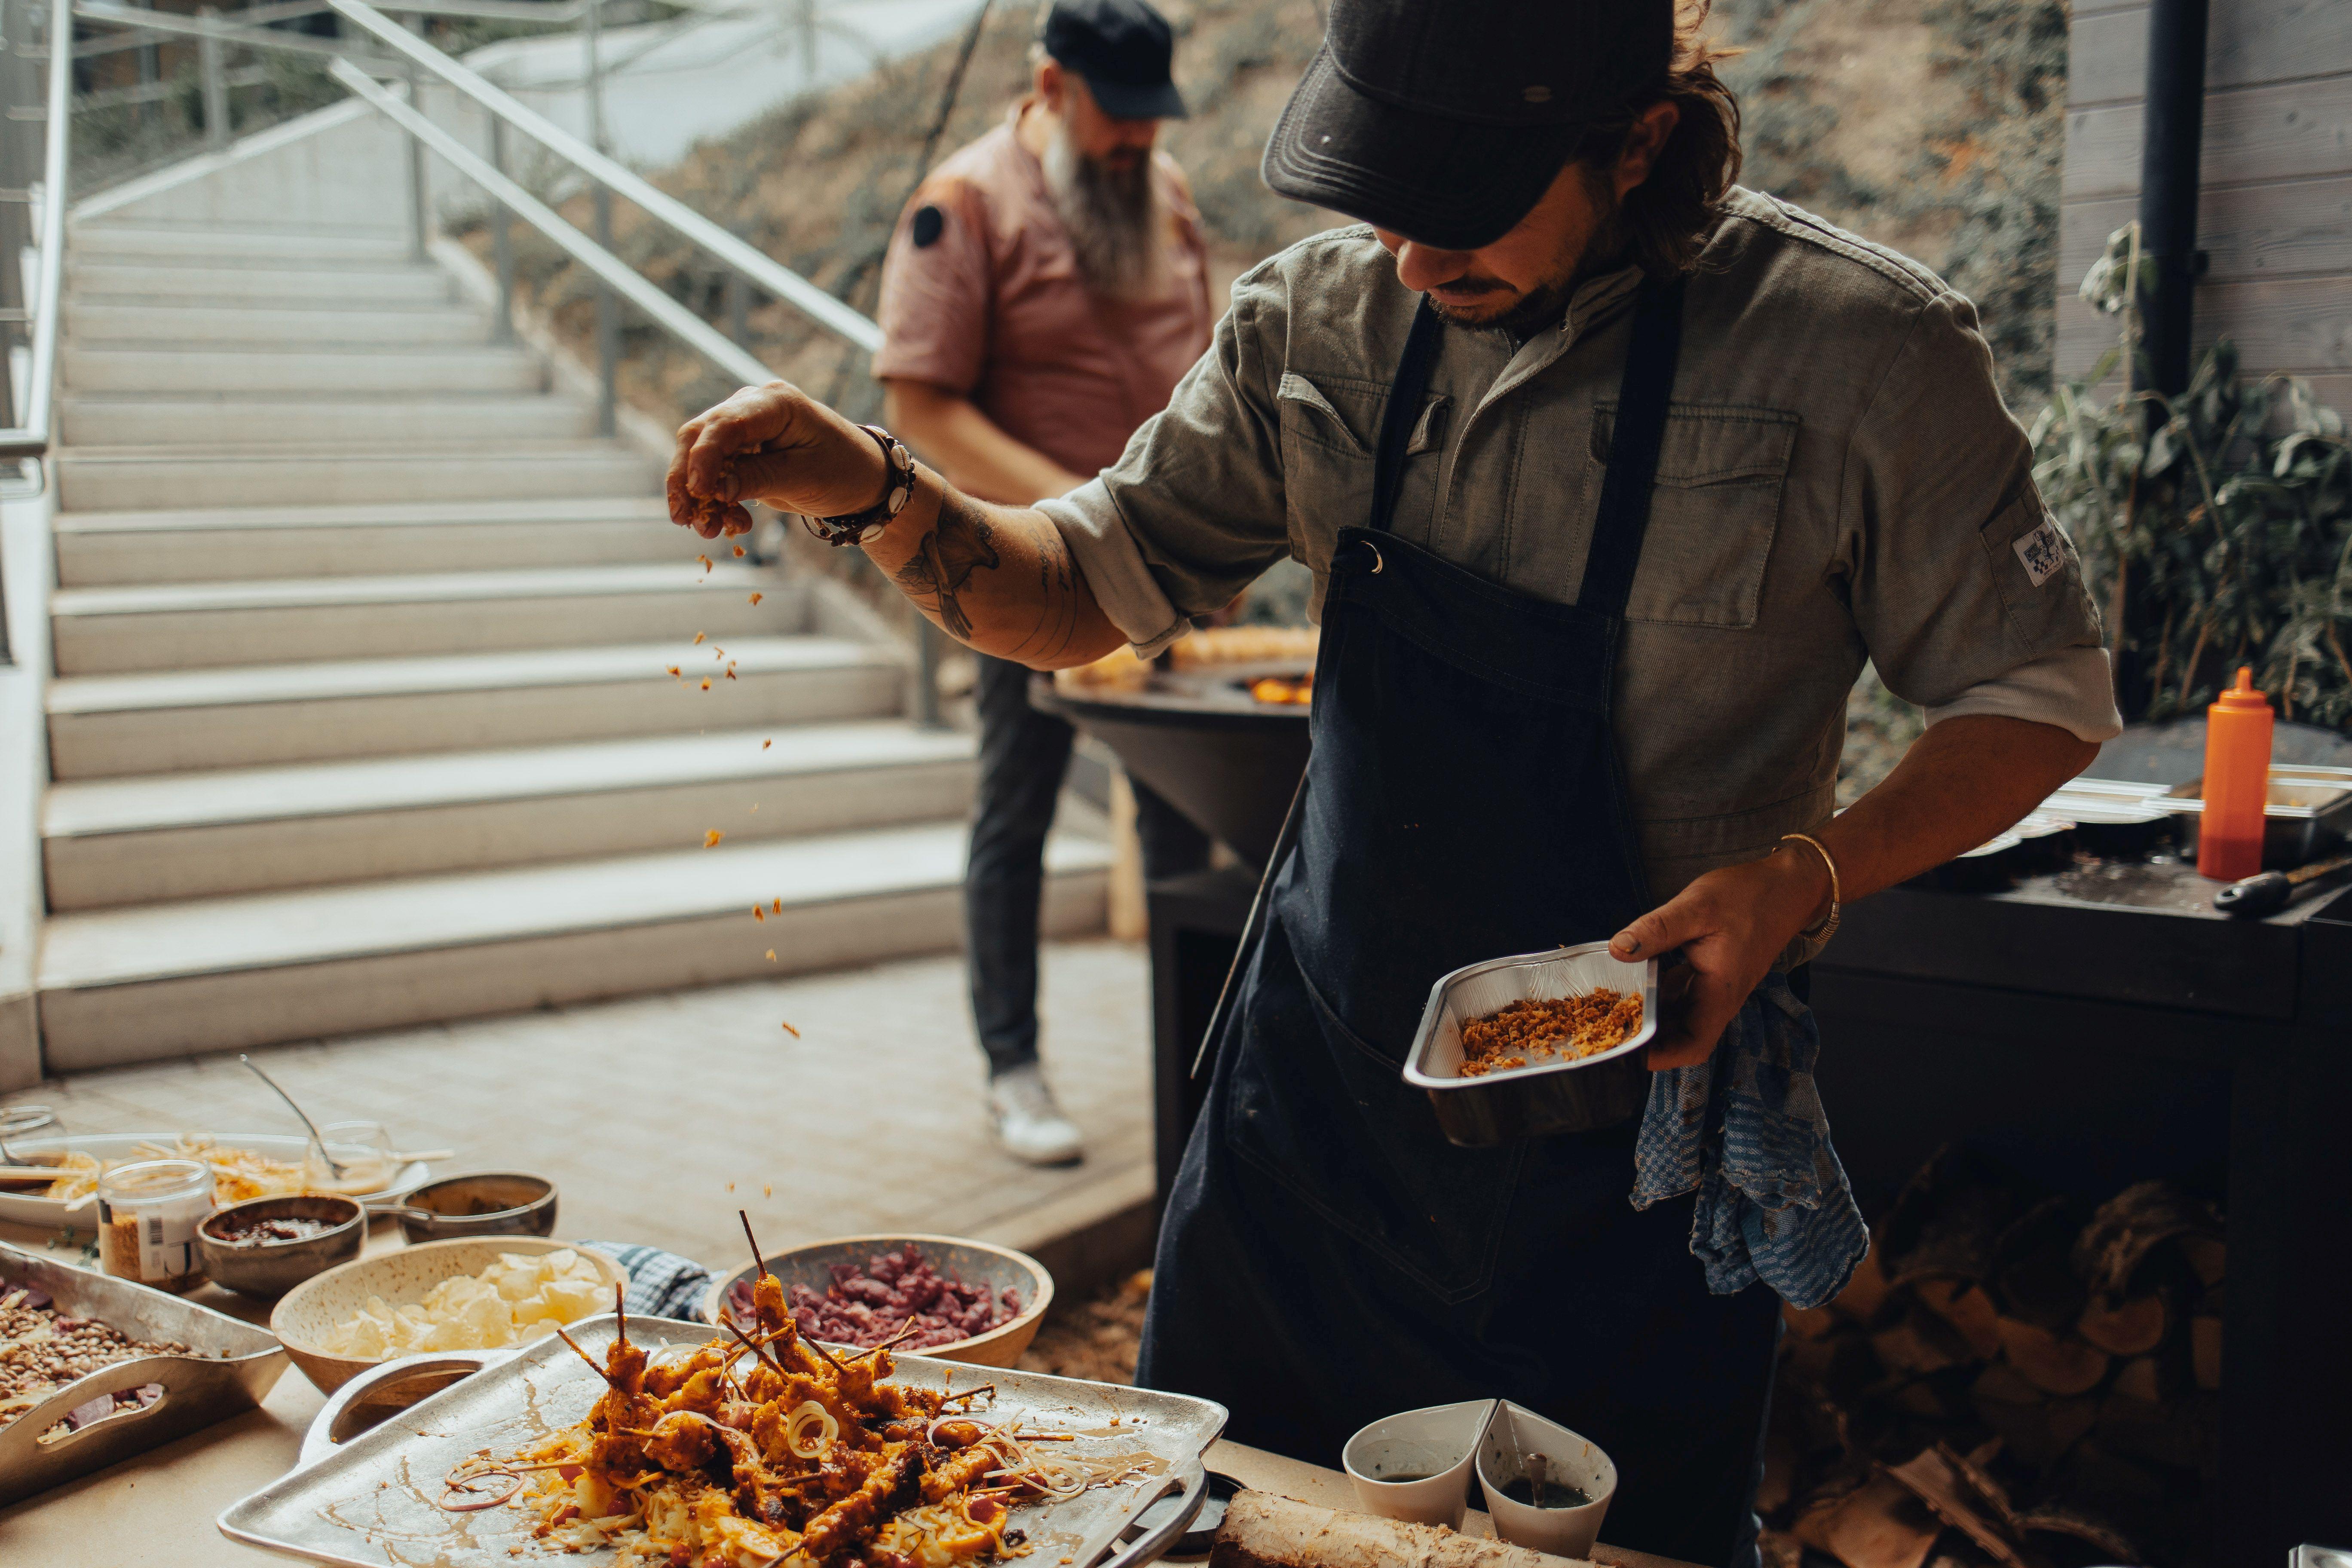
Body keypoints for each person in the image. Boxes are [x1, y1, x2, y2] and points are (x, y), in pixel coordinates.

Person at [666, 0, 2120, 1559]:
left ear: (1636, 139)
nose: (1416, 256)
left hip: (1630, 1143)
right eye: (1384, 196)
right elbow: (1080, 592)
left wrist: (1802, 879)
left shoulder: (1859, 352)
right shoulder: (1322, 325)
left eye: (1470, 202)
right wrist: (869, 482)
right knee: (1213, 1530)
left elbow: (2038, 695)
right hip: (1319, 1121)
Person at [870, 0, 1215, 1167]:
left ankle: (1205, 1062)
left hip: (1174, 573)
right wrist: (1089, 521)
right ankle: (1012, 1065)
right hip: (1037, 576)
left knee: (1192, 819)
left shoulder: (1164, 195)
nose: (1134, 139)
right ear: (1051, 85)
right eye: (1115, 116)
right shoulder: (961, 205)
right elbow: (918, 408)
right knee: (1016, 818)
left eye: (1148, 120)